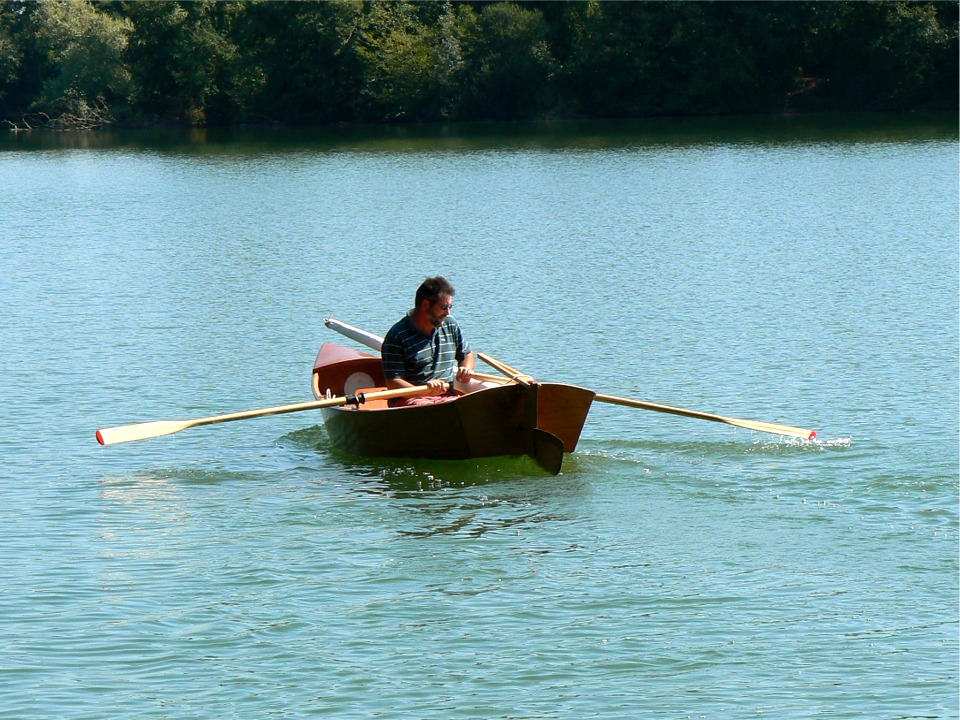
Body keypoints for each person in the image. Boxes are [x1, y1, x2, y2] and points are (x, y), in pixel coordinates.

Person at [381, 276, 476, 406]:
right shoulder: (397, 336)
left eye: (450, 307)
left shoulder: (450, 325)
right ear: (426, 305)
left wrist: (466, 369)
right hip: (411, 401)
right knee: (435, 412)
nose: (448, 312)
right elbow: (393, 383)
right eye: (444, 307)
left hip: (446, 397)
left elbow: (467, 354)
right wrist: (424, 391)